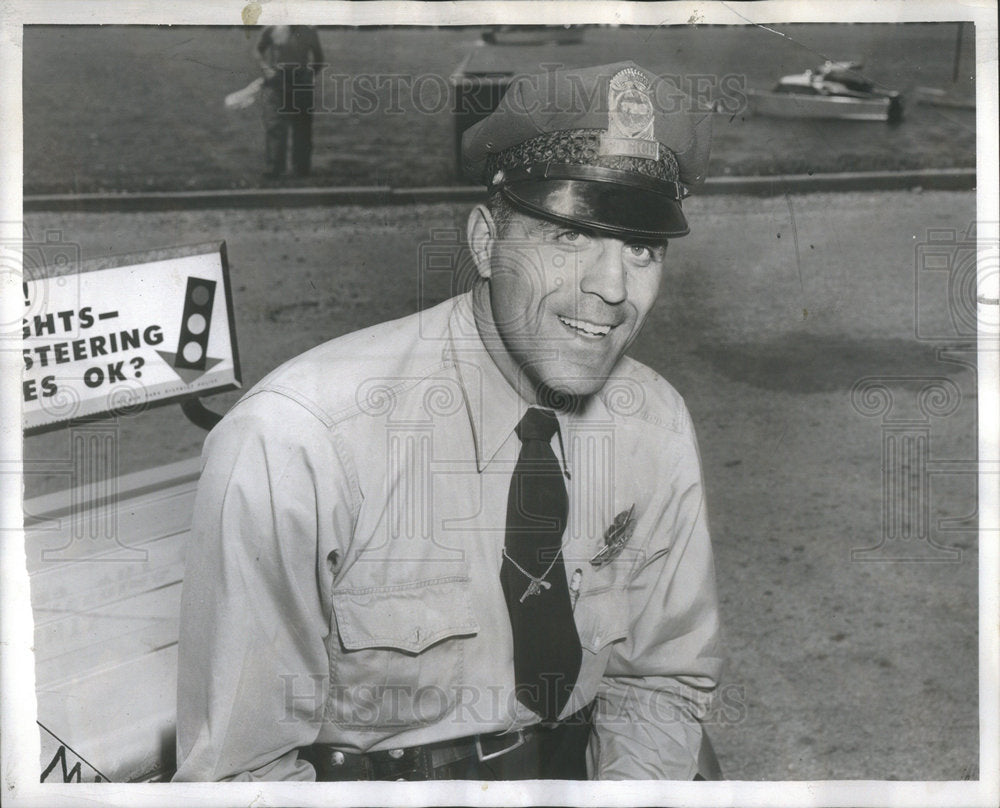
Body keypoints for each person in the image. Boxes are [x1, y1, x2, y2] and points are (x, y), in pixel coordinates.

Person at [173, 61, 723, 782]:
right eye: (567, 238)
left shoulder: (653, 421)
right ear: (485, 242)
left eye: (641, 249)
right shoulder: (299, 442)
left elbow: (661, 680)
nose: (612, 289)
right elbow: (241, 776)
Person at [256, 25, 324, 178]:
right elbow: (257, 50)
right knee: (275, 124)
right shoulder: (272, 27)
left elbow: (319, 58)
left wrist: (309, 75)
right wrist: (266, 70)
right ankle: (274, 168)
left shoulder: (309, 31)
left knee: (302, 126)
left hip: (301, 80)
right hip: (277, 81)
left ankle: (302, 168)